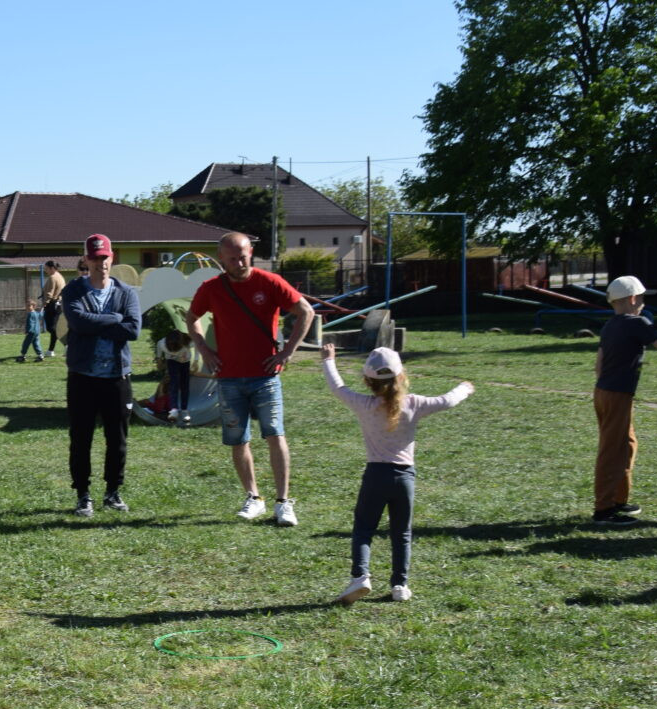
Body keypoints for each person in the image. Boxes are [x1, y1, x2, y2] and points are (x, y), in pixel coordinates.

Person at [323, 343, 473, 604]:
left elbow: (338, 388)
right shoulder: (414, 404)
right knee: (401, 533)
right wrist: (464, 388)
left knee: (364, 529)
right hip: (405, 478)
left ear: (367, 381)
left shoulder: (364, 404)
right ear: (401, 376)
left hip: (375, 475)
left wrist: (328, 360)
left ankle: (360, 577)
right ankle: (400, 585)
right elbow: (447, 401)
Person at [187, 231, 315, 526]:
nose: (239, 263)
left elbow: (305, 311)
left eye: (243, 256)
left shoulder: (269, 282)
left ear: (251, 254)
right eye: (232, 258)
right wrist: (204, 349)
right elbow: (191, 318)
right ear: (221, 259)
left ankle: (283, 503)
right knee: (238, 439)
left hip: (265, 376)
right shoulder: (211, 288)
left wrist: (287, 352)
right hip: (228, 378)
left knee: (275, 435)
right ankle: (253, 498)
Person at [591, 275, 657, 525]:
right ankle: (603, 511)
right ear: (631, 298)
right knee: (611, 451)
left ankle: (619, 500)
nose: (642, 303)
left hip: (603, 392)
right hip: (618, 394)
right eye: (641, 298)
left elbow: (598, 366)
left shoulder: (610, 325)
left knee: (627, 444)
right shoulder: (637, 323)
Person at [63, 233, 141, 517]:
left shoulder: (126, 292)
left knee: (117, 439)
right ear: (86, 259)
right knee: (81, 439)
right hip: (83, 377)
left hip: (117, 378)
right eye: (95, 258)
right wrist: (114, 319)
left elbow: (133, 329)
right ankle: (83, 494)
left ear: (112, 257)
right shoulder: (73, 291)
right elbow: (78, 322)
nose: (101, 263)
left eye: (105, 257)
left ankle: (113, 492)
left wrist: (97, 323)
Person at [158, 329, 195, 426]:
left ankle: (184, 410)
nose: (175, 352)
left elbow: (199, 347)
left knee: (184, 385)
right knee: (174, 383)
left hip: (185, 362)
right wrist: (159, 359)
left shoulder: (188, 342)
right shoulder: (162, 344)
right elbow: (158, 347)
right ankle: (174, 409)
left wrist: (196, 361)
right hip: (172, 361)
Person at [41, 260, 65, 357]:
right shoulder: (60, 276)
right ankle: (51, 350)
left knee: (51, 328)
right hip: (59, 304)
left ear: (52, 268)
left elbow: (49, 293)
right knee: (55, 328)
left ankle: (67, 344)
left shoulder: (52, 277)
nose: (45, 270)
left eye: (46, 268)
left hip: (52, 305)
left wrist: (44, 304)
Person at [17, 296, 46, 362]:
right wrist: (43, 308)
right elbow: (41, 315)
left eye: (29, 306)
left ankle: (22, 356)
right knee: (36, 344)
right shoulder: (36, 313)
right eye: (26, 306)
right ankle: (40, 355)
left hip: (31, 332)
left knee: (26, 343)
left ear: (33, 306)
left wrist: (27, 331)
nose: (27, 307)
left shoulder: (30, 314)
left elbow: (30, 323)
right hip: (37, 332)